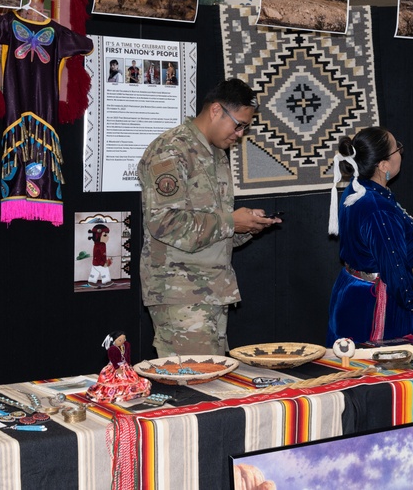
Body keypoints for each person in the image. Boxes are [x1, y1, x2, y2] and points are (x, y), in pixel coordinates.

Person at [138, 79, 281, 356]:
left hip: (211, 291)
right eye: (238, 124)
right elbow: (165, 223)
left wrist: (246, 226)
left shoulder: (215, 153)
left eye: (245, 128)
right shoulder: (171, 150)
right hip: (180, 294)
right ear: (216, 111)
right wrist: (231, 221)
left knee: (213, 385)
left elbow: (210, 230)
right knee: (193, 385)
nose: (240, 134)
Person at [326, 127, 413, 345]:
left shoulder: (357, 190)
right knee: (379, 371)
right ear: (383, 165)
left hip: (356, 293)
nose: (401, 151)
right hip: (376, 302)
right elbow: (394, 266)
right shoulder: (376, 206)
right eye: (397, 148)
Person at [86, 331, 151, 403]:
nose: (122, 341)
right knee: (115, 381)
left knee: (131, 379)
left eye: (124, 339)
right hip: (115, 367)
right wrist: (117, 368)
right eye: (120, 340)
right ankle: (116, 394)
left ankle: (130, 393)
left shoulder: (126, 345)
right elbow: (113, 360)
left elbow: (128, 356)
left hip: (125, 366)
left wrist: (129, 364)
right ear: (114, 340)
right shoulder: (112, 349)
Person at [88, 223, 113, 287]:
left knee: (95, 272)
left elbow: (101, 255)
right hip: (99, 263)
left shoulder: (101, 244)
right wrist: (103, 263)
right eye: (105, 235)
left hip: (97, 262)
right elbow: (98, 256)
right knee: (104, 270)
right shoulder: (99, 246)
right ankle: (106, 281)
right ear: (97, 236)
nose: (107, 237)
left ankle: (92, 281)